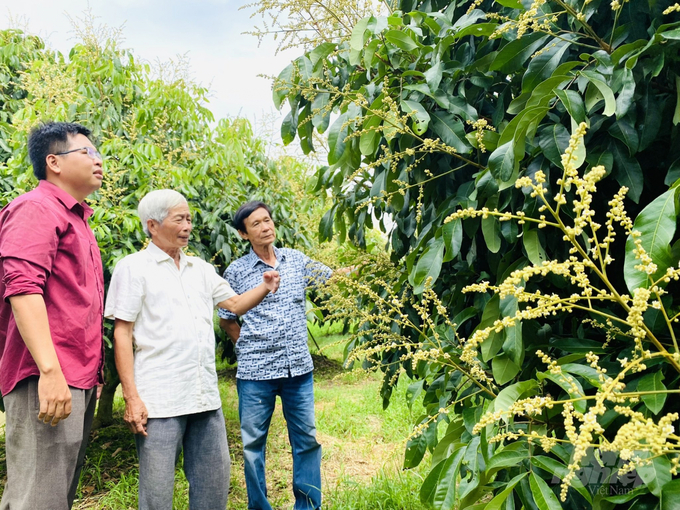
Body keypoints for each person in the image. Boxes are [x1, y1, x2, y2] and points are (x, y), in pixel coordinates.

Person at [104, 189, 280, 510]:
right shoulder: (133, 268)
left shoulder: (200, 269)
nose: (188, 225)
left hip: (204, 398)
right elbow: (122, 333)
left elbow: (236, 304)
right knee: (157, 496)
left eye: (189, 219)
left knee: (213, 486)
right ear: (153, 225)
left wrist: (265, 287)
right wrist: (131, 397)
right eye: (179, 219)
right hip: (159, 402)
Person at [0, 121, 105, 510]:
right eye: (87, 152)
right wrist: (49, 371)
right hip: (46, 375)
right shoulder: (36, 208)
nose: (98, 161)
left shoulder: (78, 220)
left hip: (74, 377)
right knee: (38, 498)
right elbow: (23, 289)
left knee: (55, 495)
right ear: (54, 162)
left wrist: (89, 377)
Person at [218, 201, 333, 510]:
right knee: (254, 446)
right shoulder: (237, 271)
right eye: (255, 224)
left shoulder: (296, 260)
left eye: (267, 220)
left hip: (299, 370)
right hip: (256, 373)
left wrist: (360, 271)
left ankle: (307, 506)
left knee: (307, 441)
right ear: (244, 234)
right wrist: (244, 345)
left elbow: (331, 279)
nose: (265, 226)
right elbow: (226, 317)